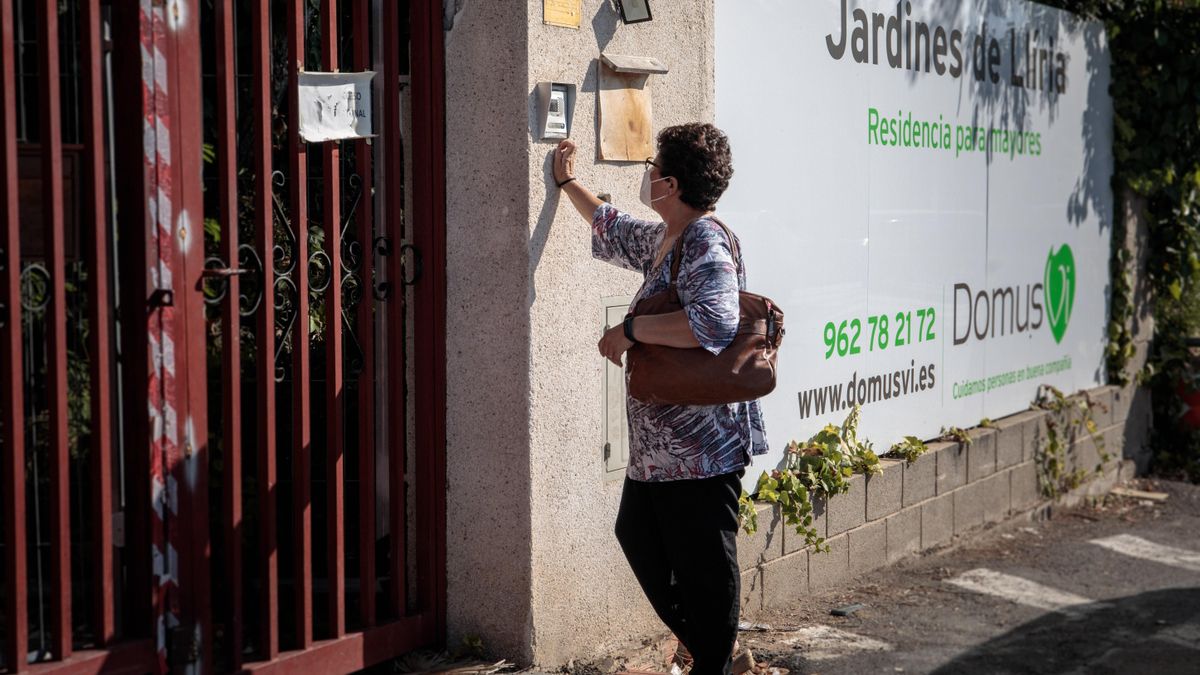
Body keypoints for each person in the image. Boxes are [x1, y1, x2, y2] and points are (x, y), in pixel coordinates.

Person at [552, 123, 768, 675]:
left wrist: (629, 332)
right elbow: (614, 226)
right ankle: (714, 650)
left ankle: (713, 658)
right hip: (660, 453)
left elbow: (713, 324)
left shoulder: (705, 240)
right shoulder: (668, 237)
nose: (646, 173)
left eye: (653, 167)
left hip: (701, 448)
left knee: (705, 570)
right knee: (639, 536)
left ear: (669, 183)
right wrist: (567, 182)